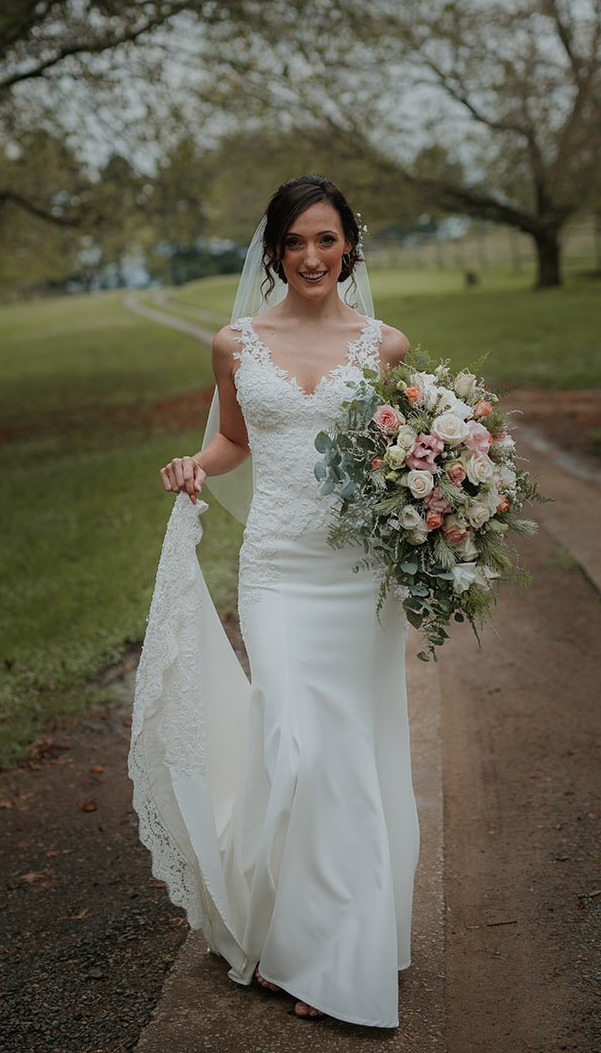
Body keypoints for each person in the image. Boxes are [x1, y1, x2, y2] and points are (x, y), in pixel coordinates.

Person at [128, 175, 420, 1027]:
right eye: (294, 241)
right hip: (277, 571)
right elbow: (233, 438)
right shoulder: (235, 343)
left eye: (326, 239)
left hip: (360, 577)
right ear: (273, 252)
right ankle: (295, 930)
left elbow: (405, 454)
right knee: (294, 745)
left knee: (350, 754)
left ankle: (334, 954)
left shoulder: (386, 346)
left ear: (350, 247)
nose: (311, 256)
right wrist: (195, 464)